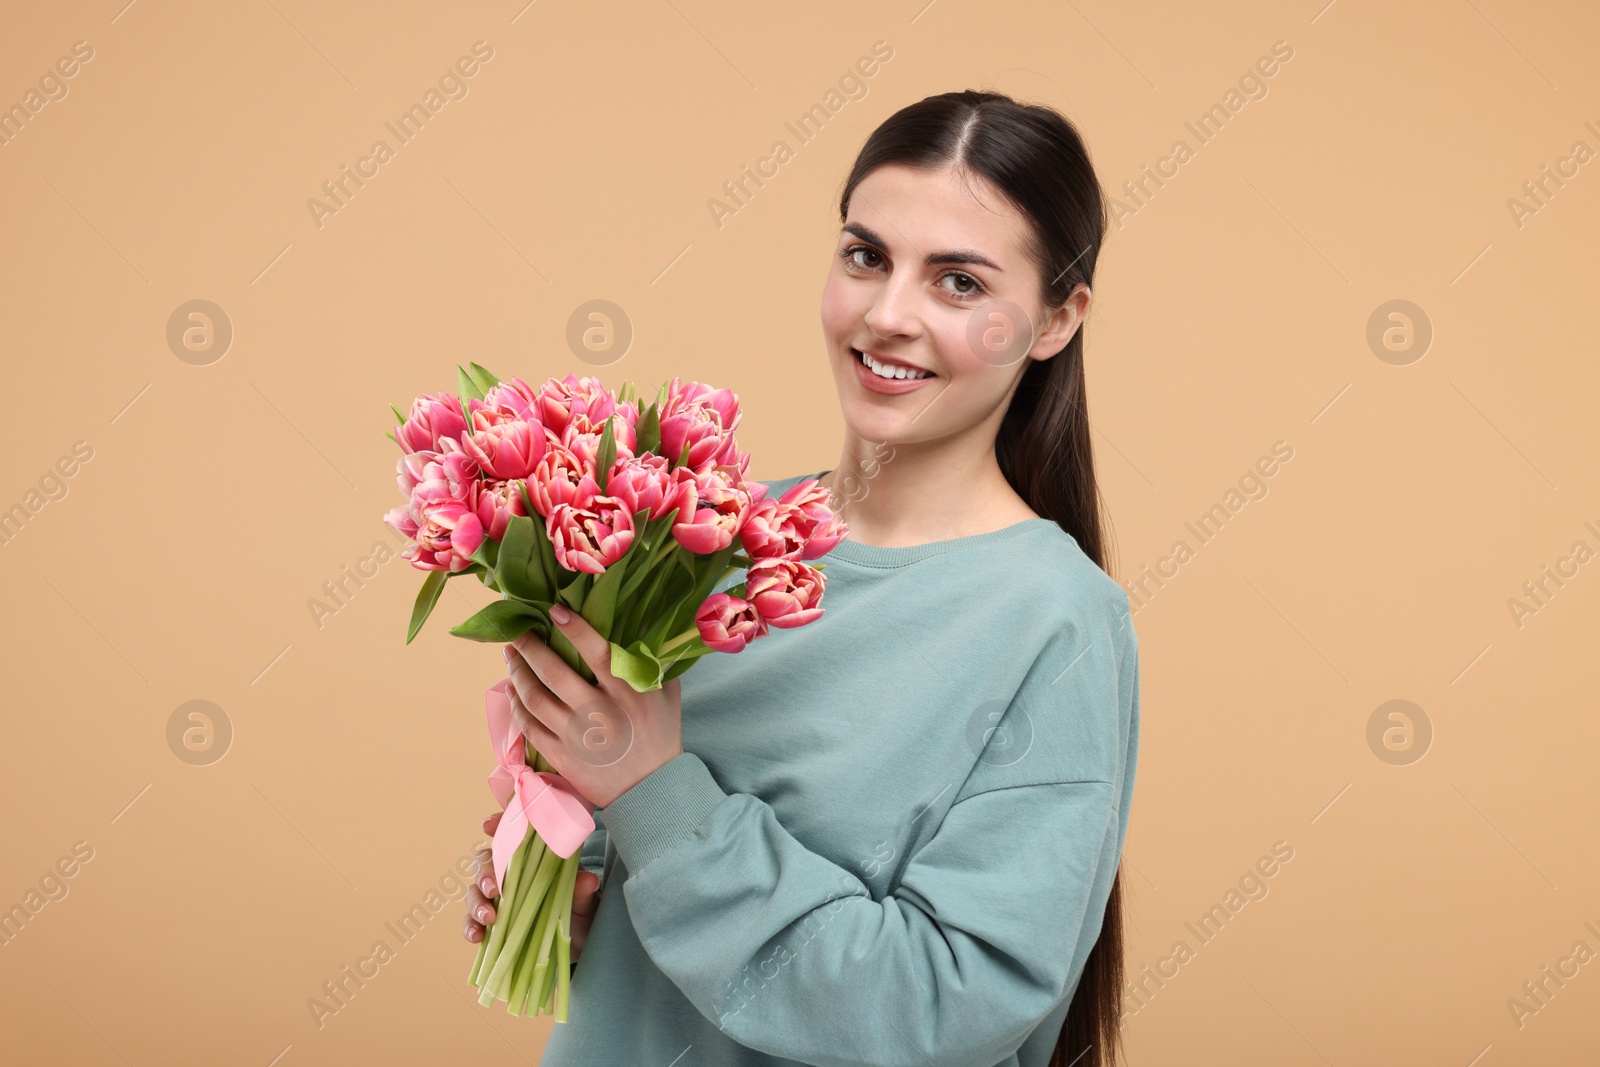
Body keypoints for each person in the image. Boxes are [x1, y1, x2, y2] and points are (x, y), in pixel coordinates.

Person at [462, 89, 1140, 1067]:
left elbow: (935, 1011)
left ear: (1054, 319)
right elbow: (641, 893)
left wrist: (654, 792)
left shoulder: (1056, 623)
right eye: (866, 256)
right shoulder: (696, 536)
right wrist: (555, 895)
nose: (887, 314)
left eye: (957, 282)